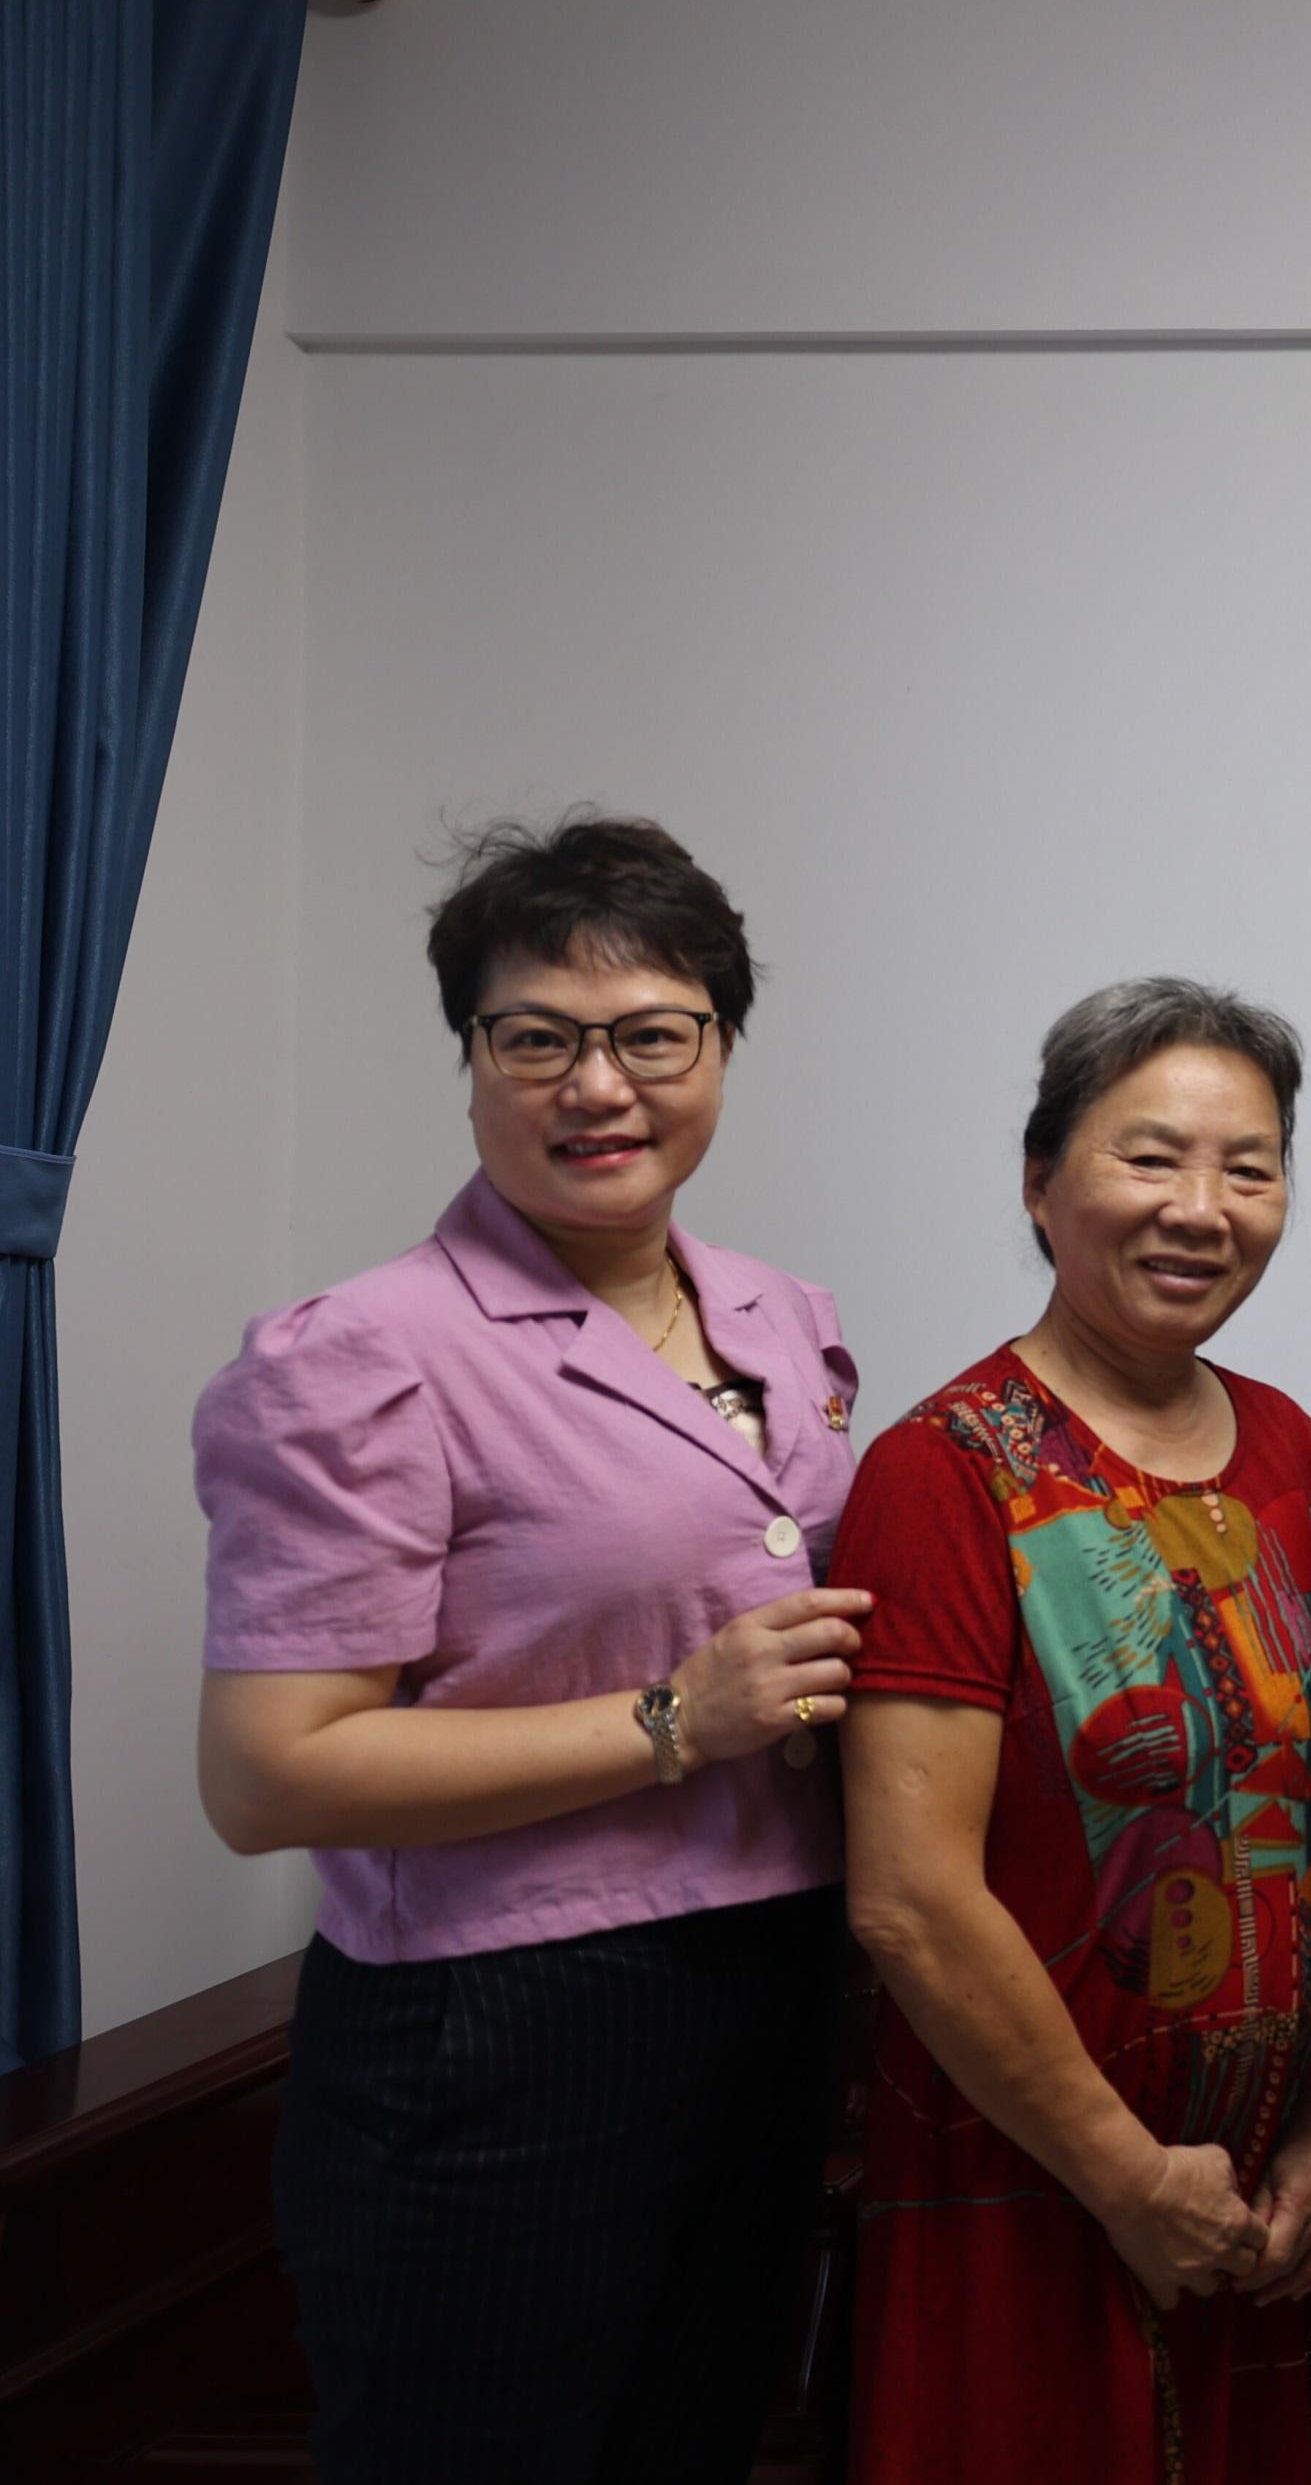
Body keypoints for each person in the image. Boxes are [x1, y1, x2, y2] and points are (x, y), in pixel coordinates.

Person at [194, 814, 863, 2484]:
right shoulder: (362, 1354)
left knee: (699, 2443)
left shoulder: (784, 1318)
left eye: (653, 1035)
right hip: (493, 2026)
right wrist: (673, 1716)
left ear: (722, 1046)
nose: (598, 1086)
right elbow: (270, 1776)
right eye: (537, 1038)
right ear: (472, 1056)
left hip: (775, 1984)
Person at [836, 979, 1311, 2485]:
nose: (1201, 1209)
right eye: (1150, 1157)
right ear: (1040, 1178)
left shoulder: (1290, 1446)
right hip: (1028, 2187)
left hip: (1251, 2212)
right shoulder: (945, 1471)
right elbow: (908, 1896)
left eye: (1249, 1167)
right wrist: (1128, 2175)